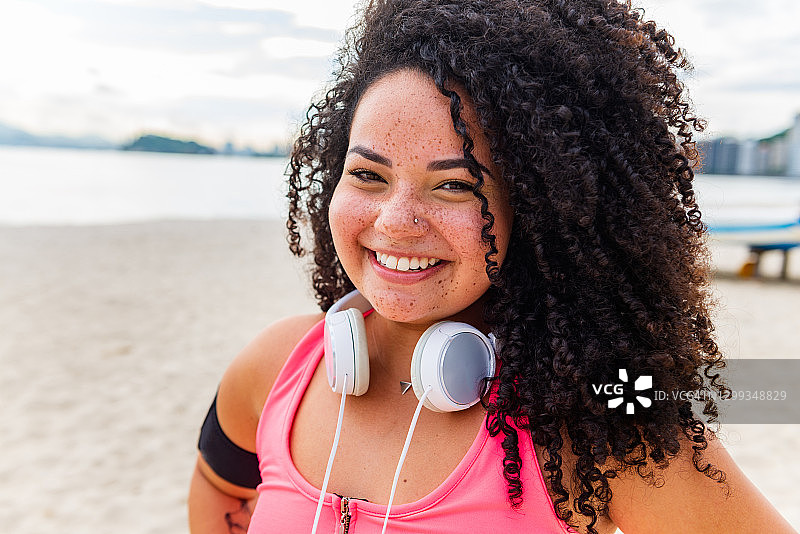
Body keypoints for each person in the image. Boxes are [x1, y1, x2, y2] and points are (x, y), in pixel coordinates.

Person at [188, 1, 796, 533]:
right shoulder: (275, 368)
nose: (396, 222)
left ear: (539, 207)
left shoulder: (599, 419)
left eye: (455, 184)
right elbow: (220, 491)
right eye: (368, 174)